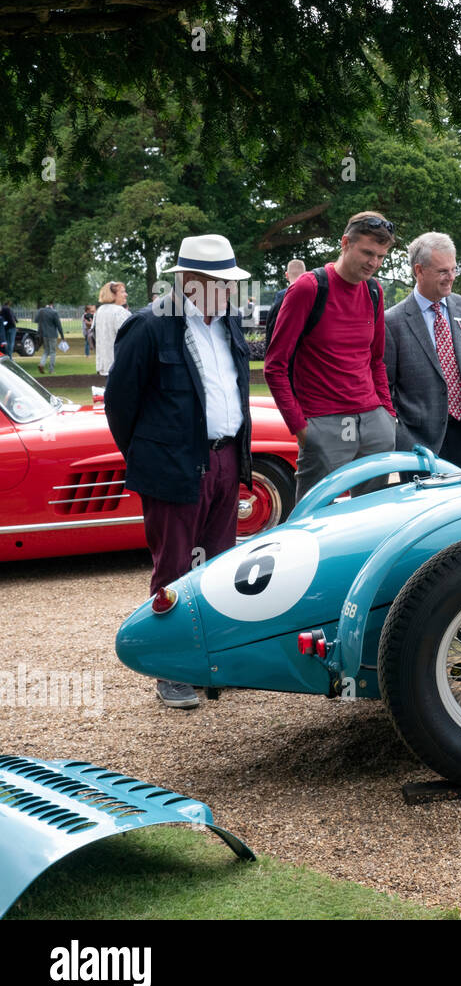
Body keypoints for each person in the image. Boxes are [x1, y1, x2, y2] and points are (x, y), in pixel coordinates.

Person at [105, 234, 254, 710]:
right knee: (173, 568)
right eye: (217, 282)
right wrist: (152, 458)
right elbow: (119, 405)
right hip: (174, 463)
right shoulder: (147, 326)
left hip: (227, 457)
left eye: (229, 282)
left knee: (219, 565)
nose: (227, 291)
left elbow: (234, 387)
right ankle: (170, 669)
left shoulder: (228, 319)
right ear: (187, 280)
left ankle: (213, 661)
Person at [264, 211, 397, 499]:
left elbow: (375, 360)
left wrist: (387, 416)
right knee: (313, 522)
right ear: (345, 243)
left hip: (374, 422)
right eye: (367, 252)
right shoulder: (308, 288)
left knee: (371, 515)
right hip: (323, 422)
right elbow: (275, 366)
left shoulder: (374, 290)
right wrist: (302, 431)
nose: (374, 263)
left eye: (381, 256)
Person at [385, 231, 461, 478]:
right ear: (419, 270)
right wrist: (403, 437)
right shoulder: (392, 322)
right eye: (442, 272)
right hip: (423, 448)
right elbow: (385, 389)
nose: (450, 278)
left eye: (453, 269)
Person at [95, 281, 131, 376]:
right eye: (122, 292)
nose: (126, 295)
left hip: (104, 364)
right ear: (113, 295)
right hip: (120, 365)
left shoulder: (100, 311)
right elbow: (129, 339)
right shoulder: (120, 312)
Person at [36, 300, 65, 373]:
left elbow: (37, 321)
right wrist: (62, 336)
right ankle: (51, 369)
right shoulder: (54, 312)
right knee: (53, 352)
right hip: (52, 335)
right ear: (51, 304)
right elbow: (59, 325)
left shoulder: (41, 311)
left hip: (44, 335)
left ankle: (41, 364)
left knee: (46, 351)